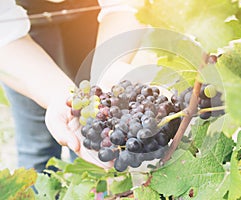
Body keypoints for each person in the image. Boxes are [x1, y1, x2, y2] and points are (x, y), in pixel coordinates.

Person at [0, 0, 143, 172]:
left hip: (91, 21)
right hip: (22, 28)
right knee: (37, 147)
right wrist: (57, 96)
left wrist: (110, 67)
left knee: (86, 143)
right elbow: (4, 32)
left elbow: (124, 6)